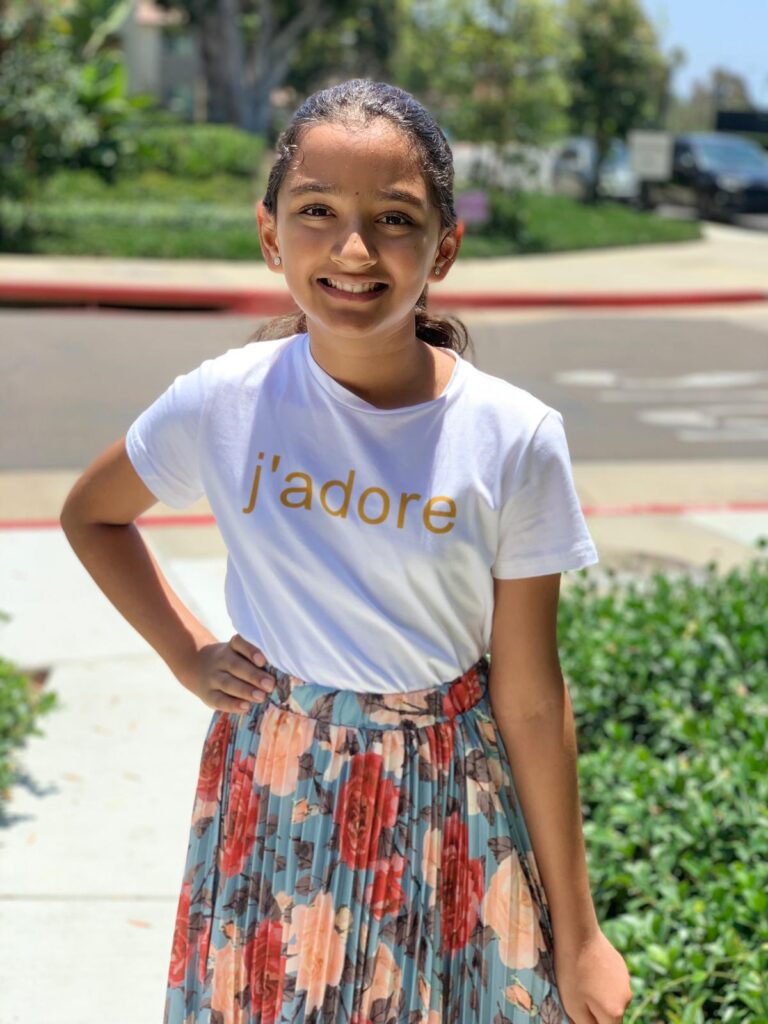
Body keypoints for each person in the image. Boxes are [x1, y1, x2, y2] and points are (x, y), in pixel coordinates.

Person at [60, 79, 633, 1024]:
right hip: (272, 793)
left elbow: (532, 696)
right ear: (270, 234)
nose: (354, 249)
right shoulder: (225, 400)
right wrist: (187, 652)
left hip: (448, 800)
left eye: (395, 219)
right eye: (317, 211)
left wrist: (580, 936)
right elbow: (94, 516)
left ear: (444, 247)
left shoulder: (513, 436)